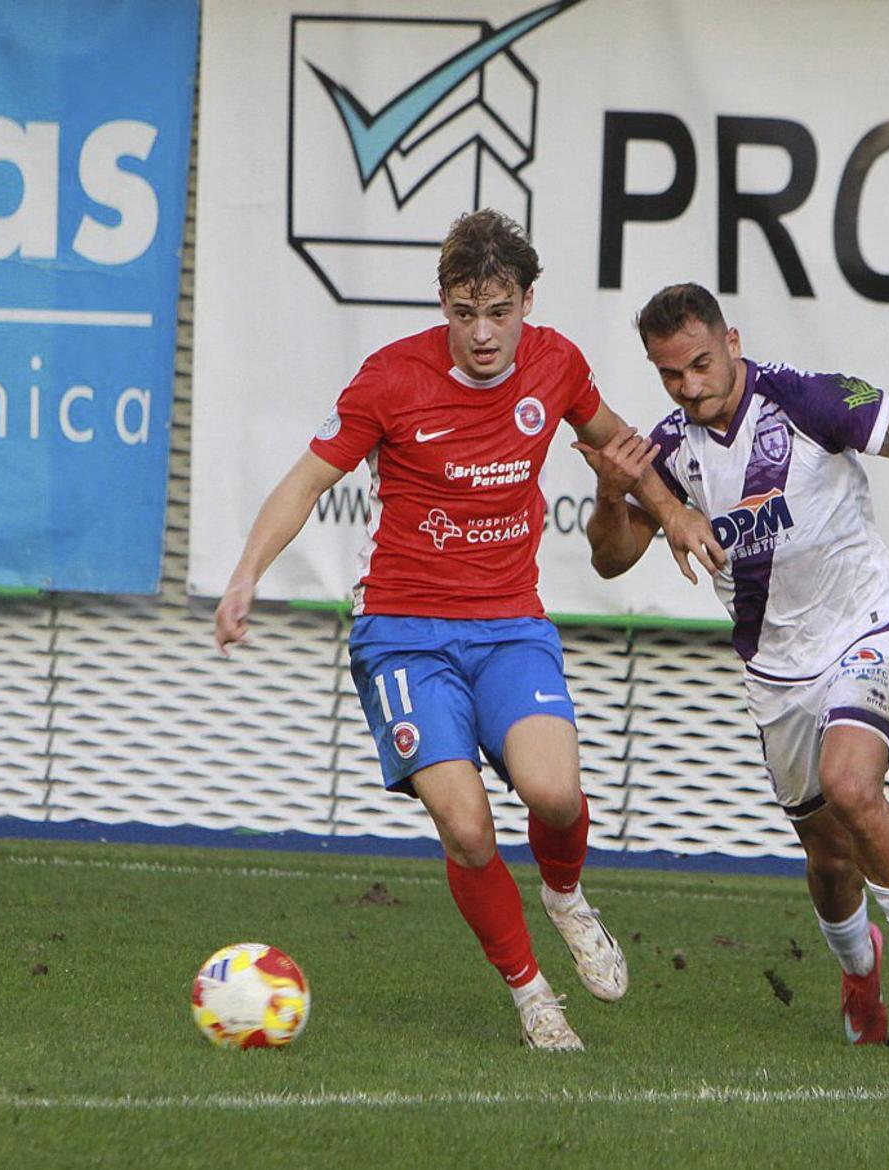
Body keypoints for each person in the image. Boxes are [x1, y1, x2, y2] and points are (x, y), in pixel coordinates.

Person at [213, 213, 718, 1051]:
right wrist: (245, 574)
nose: (483, 335)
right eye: (463, 312)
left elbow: (617, 447)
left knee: (555, 795)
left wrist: (671, 513)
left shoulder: (556, 363)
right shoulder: (390, 379)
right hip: (405, 634)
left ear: (527, 300)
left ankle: (563, 897)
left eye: (500, 311)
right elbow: (306, 482)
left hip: (510, 627)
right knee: (470, 828)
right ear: (443, 304)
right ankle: (530, 994)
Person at [577, 282, 889, 1047]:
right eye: (669, 375)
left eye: (698, 363)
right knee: (827, 858)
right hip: (776, 673)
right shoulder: (667, 450)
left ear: (732, 338)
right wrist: (608, 492)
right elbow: (612, 560)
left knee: (851, 784)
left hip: (867, 626)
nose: (689, 387)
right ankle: (861, 975)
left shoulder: (809, 399)